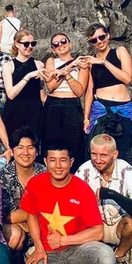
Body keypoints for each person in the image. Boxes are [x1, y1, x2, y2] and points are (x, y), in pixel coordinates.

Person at [20, 144, 117, 264]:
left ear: (71, 163)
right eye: (52, 160)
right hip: (49, 251)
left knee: (106, 255)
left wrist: (64, 240)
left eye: (63, 160)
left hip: (77, 247)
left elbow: (98, 231)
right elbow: (31, 216)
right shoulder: (36, 184)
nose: (58, 166)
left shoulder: (82, 189)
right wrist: (38, 247)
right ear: (45, 162)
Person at [76, 134, 132, 260]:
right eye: (94, 154)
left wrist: (112, 194)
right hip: (93, 225)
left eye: (103, 155)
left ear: (115, 154)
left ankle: (119, 254)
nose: (97, 159)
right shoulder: (84, 170)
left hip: (118, 227)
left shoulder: (129, 173)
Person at [83, 22, 132, 166]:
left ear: (108, 36)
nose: (99, 42)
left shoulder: (120, 51)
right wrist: (86, 118)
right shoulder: (91, 62)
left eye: (101, 37)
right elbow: (89, 91)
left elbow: (127, 78)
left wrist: (103, 62)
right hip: (101, 106)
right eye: (94, 40)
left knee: (127, 150)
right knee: (96, 151)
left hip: (124, 107)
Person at [41, 32, 87, 168]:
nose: (60, 45)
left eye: (63, 41)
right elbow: (50, 86)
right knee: (50, 143)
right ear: (53, 49)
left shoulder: (82, 63)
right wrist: (70, 67)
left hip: (72, 105)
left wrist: (65, 74)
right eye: (56, 44)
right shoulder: (51, 61)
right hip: (53, 105)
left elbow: (79, 91)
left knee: (73, 144)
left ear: (70, 44)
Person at [0, 127, 43, 251]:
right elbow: (5, 216)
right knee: (16, 234)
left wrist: (28, 219)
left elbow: (50, 209)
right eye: (20, 148)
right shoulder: (2, 176)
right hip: (13, 227)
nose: (25, 152)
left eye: (30, 148)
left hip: (41, 227)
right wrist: (31, 216)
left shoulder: (45, 174)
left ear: (36, 151)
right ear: (12, 151)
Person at [3, 28, 45, 141]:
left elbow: (42, 93)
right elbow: (11, 94)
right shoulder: (8, 65)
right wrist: (28, 76)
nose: (30, 46)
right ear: (17, 44)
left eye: (33, 43)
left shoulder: (39, 64)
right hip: (15, 112)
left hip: (35, 112)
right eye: (26, 44)